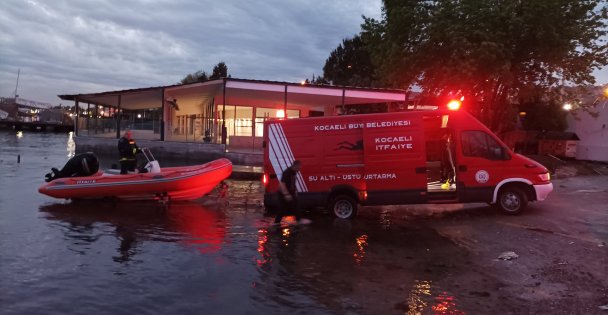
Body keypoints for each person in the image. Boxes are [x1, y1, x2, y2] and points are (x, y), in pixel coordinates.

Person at [274, 160, 311, 225]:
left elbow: (292, 183)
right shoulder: (287, 172)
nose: (299, 170)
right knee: (282, 209)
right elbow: (282, 184)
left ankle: (298, 220)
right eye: (298, 168)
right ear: (295, 166)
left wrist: (295, 191)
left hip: (291, 193)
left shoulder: (294, 172)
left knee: (296, 206)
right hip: (283, 194)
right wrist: (286, 194)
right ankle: (276, 223)